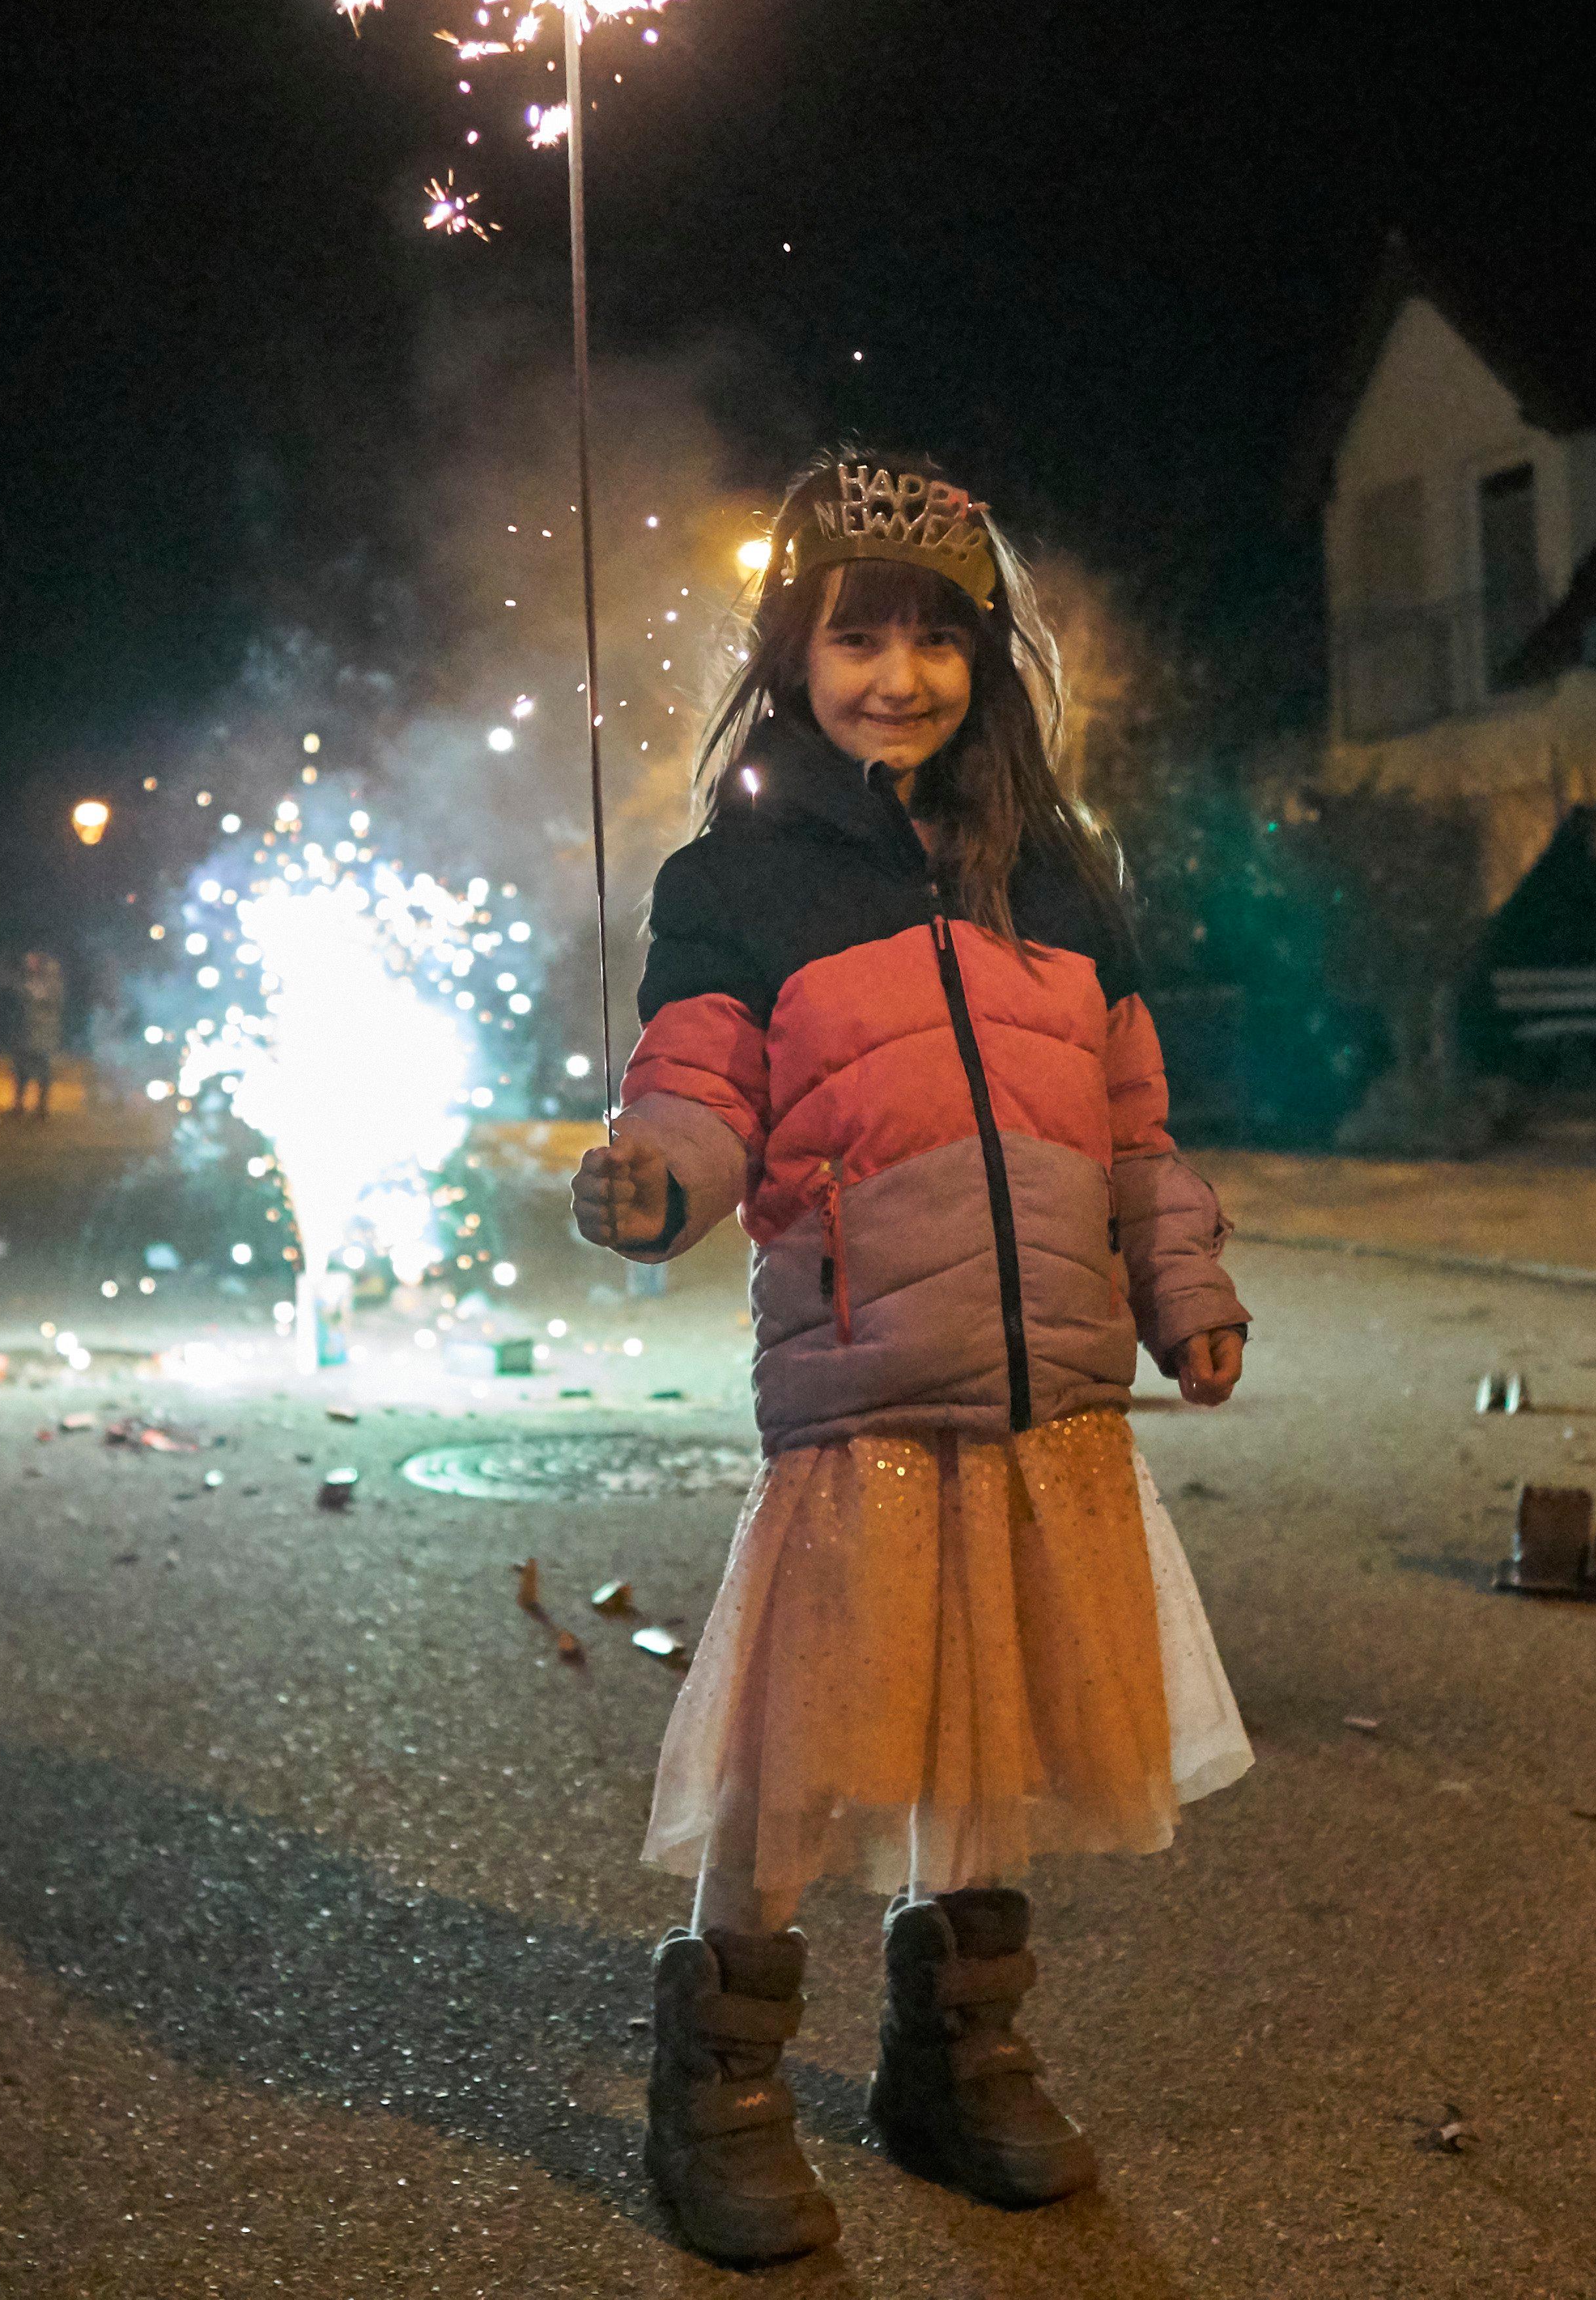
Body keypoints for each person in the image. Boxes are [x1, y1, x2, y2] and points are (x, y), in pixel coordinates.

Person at [571, 453, 1251, 2265]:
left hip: (1051, 1400)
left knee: (996, 1731)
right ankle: (716, 2079)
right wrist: (653, 1186)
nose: (894, 674)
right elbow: (701, 1095)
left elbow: (1131, 1125)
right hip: (868, 1385)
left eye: (932, 640)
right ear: (791, 652)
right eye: (852, 635)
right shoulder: (740, 880)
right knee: (804, 1743)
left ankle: (956, 2060)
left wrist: (1181, 1284)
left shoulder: (1064, 871)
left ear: (987, 659)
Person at [7, 947, 63, 1118]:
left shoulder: (52, 983)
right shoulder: (27, 981)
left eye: (32, 960)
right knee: (20, 1071)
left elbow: (51, 1003)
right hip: (26, 1033)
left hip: (44, 1034)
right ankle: (18, 1106)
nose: (29, 964)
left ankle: (42, 1108)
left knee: (43, 1071)